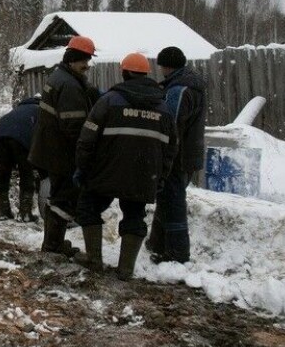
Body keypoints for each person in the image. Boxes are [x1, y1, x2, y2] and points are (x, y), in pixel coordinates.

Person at [73, 53, 176, 280]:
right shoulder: (163, 108)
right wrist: (160, 177)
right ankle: (126, 269)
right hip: (143, 174)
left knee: (87, 207)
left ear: (125, 72)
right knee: (134, 215)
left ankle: (94, 259)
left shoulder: (109, 101)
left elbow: (87, 138)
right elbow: (170, 148)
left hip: (106, 171)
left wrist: (83, 167)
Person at [28, 35, 98, 257]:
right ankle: (53, 246)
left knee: (56, 197)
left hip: (51, 149)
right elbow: (74, 127)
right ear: (72, 60)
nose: (87, 65)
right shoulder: (69, 86)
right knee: (64, 200)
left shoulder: (61, 78)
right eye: (83, 61)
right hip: (62, 153)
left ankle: (53, 244)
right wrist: (85, 155)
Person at [147, 46, 206, 264]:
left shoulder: (179, 90)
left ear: (165, 65)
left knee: (173, 202)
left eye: (161, 65)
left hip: (178, 156)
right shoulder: (189, 83)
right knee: (166, 199)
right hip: (188, 152)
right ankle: (156, 244)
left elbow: (169, 123)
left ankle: (177, 254)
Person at [0, 95, 41, 221]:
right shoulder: (39, 110)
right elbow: (42, 137)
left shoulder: (16, 110)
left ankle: (4, 212)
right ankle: (25, 214)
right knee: (26, 174)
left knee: (3, 174)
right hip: (21, 141)